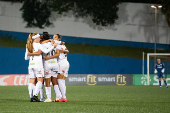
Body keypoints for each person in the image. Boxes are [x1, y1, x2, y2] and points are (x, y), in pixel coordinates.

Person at [26, 32, 57, 102]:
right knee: (40, 80)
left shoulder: (28, 45)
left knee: (31, 81)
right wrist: (53, 46)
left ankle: (31, 96)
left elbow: (26, 57)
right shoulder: (38, 44)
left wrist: (33, 54)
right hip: (38, 64)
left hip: (31, 64)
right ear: (35, 39)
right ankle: (35, 96)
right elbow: (46, 51)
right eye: (38, 37)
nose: (40, 38)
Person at [41, 32, 62, 102]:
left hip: (47, 64)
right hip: (55, 64)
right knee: (54, 81)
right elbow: (58, 54)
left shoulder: (42, 44)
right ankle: (58, 97)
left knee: (47, 81)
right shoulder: (56, 43)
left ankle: (49, 98)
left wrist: (48, 58)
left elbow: (40, 44)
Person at [53, 34, 69, 102]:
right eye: (53, 37)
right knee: (62, 81)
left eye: (55, 37)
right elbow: (67, 51)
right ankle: (63, 97)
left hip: (61, 63)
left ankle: (63, 97)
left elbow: (64, 51)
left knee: (59, 80)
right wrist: (64, 51)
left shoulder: (57, 45)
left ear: (59, 38)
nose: (54, 38)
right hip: (66, 63)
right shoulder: (62, 45)